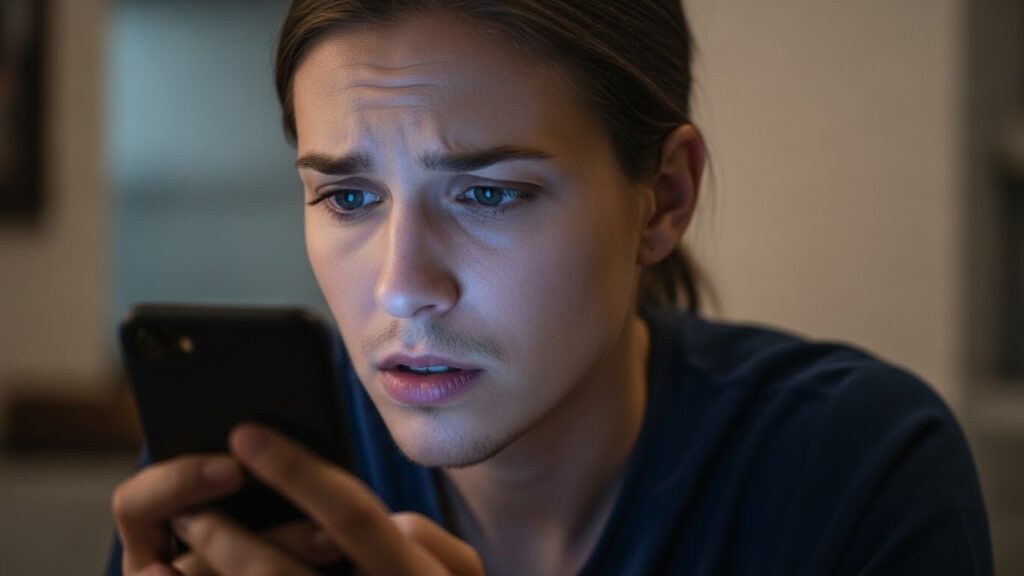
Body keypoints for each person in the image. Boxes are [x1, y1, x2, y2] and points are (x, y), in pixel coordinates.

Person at [107, 1, 994, 574]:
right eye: (347, 197)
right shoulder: (246, 483)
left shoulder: (852, 466)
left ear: (663, 198)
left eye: (489, 194)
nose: (401, 289)